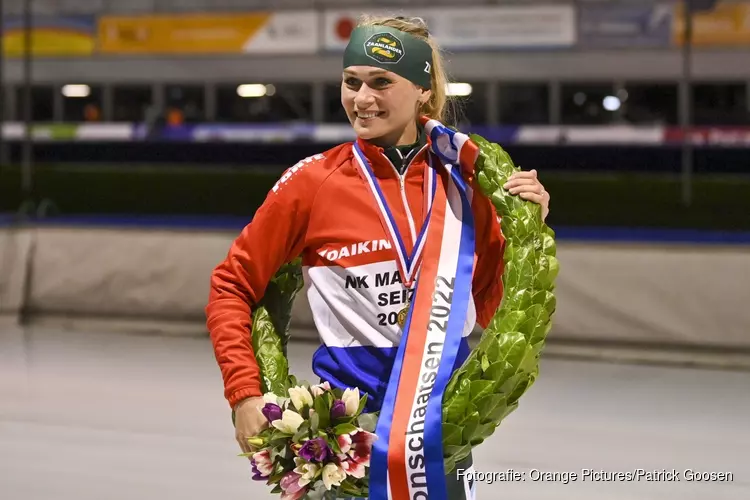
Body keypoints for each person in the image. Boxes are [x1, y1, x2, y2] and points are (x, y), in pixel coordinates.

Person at [205, 15, 550, 500]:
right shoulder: (312, 183)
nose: (361, 99)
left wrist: (526, 224)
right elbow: (231, 287)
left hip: (439, 439)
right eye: (352, 82)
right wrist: (244, 395)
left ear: (424, 90)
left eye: (381, 82)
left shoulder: (467, 184)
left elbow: (488, 304)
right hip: (338, 446)